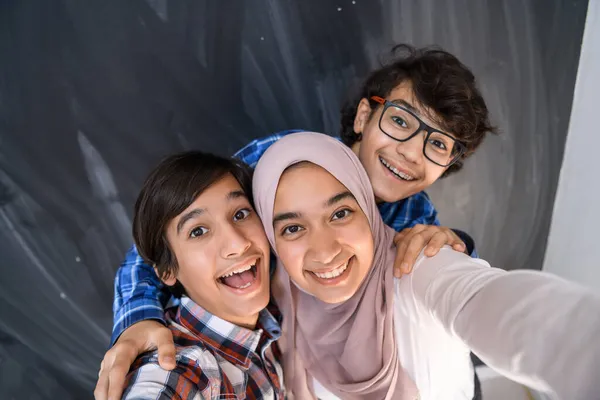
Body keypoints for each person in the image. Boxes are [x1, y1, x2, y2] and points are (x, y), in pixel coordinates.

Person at [95, 44, 495, 399]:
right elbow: (165, 236)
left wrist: (455, 243)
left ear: (447, 167)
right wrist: (138, 318)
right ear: (363, 116)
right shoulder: (283, 161)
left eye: (439, 144)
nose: (410, 152)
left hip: (292, 361)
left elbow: (451, 281)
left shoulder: (414, 214)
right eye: (402, 122)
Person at [252, 132, 600, 400]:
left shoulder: (416, 267)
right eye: (293, 228)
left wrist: (585, 352)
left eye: (341, 213)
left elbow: (494, 303)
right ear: (271, 237)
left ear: (368, 210)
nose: (324, 251)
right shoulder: (283, 295)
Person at [119, 152, 284, 399]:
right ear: (167, 271)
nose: (237, 244)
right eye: (198, 231)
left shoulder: (276, 317)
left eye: (240, 214)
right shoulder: (179, 368)